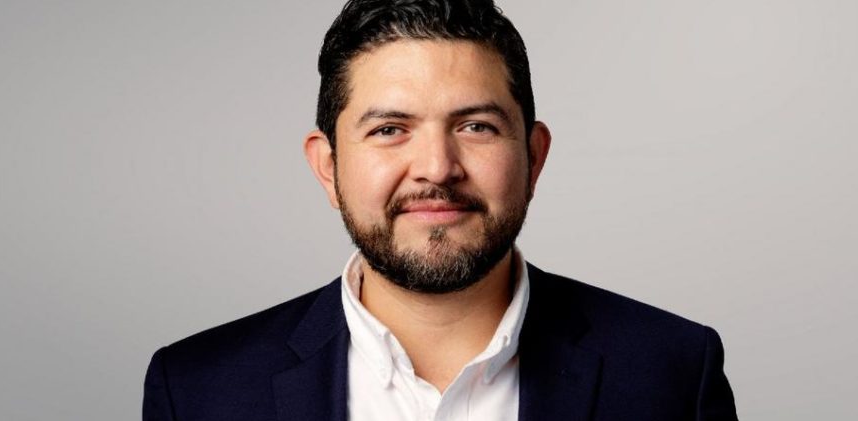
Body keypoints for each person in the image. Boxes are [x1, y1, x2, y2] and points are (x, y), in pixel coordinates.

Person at [142, 0, 738, 419]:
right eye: (389, 130)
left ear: (534, 157)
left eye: (476, 126)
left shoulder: (674, 373)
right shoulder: (196, 391)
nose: (436, 167)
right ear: (328, 167)